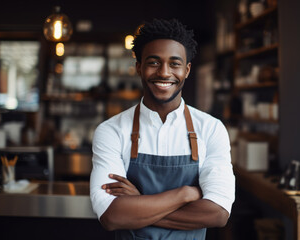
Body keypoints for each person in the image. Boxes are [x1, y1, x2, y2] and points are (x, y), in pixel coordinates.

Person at [90, 18, 235, 240]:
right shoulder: (111, 131)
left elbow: (218, 214)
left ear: (186, 70)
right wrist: (186, 193)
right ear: (139, 67)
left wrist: (138, 203)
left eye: (174, 63)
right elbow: (112, 216)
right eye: (154, 62)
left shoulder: (211, 129)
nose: (164, 73)